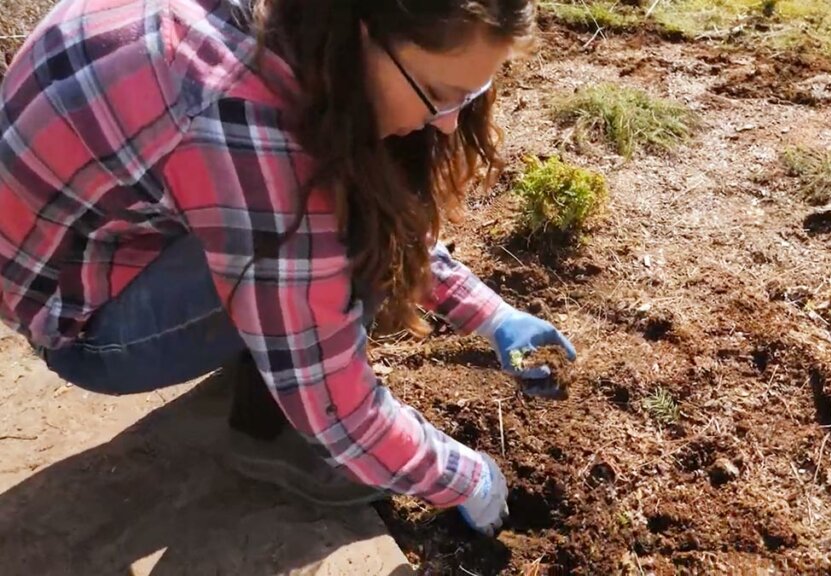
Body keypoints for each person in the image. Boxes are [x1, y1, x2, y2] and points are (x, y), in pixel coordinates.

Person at [0, 0, 576, 536]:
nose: (449, 124)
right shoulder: (240, 118)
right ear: (363, 36)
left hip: (88, 240)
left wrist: (491, 315)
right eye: (436, 94)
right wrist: (463, 478)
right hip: (82, 323)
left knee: (328, 227)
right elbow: (337, 404)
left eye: (470, 94)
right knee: (335, 237)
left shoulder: (289, 26)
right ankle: (271, 432)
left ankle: (265, 355)